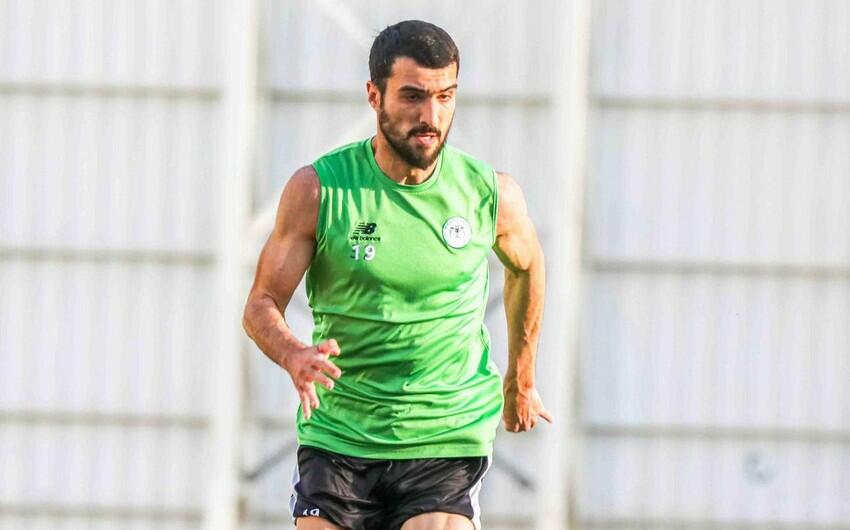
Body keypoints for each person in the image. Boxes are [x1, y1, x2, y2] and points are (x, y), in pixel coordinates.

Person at [242, 19, 550, 530]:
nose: (431, 116)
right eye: (412, 97)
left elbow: (528, 266)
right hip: (339, 434)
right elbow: (261, 304)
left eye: (445, 96)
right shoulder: (319, 190)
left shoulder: (489, 194)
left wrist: (521, 378)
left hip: (444, 434)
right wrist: (292, 353)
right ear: (374, 95)